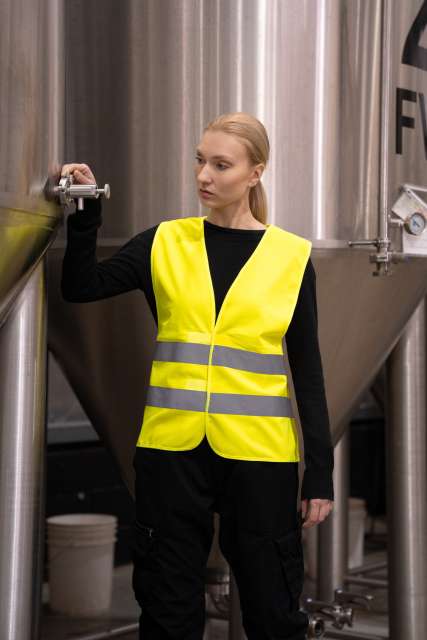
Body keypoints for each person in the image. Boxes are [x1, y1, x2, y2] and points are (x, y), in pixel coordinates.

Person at [61, 111, 334, 640]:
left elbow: (308, 370)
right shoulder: (163, 241)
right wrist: (87, 210)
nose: (204, 176)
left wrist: (319, 472)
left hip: (260, 458)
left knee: (274, 615)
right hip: (171, 454)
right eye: (199, 160)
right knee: (167, 614)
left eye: (221, 165)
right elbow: (81, 286)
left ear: (255, 173)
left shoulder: (291, 257)